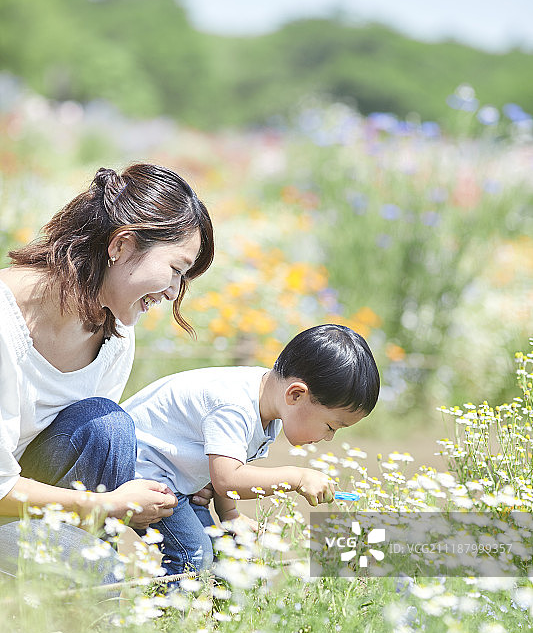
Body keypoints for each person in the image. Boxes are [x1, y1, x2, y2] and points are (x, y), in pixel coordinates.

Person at [0, 162, 215, 583]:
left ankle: (82, 591)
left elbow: (101, 452)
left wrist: (183, 482)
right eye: (175, 269)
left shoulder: (114, 334)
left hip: (27, 500)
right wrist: (105, 506)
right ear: (121, 244)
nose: (174, 292)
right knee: (98, 569)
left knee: (109, 425)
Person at [123, 324, 380, 576]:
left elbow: (229, 463)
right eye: (331, 426)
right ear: (296, 395)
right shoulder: (234, 407)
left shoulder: (268, 401)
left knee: (228, 550)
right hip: (141, 472)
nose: (329, 438)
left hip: (174, 477)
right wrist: (297, 478)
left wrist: (230, 514)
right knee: (194, 554)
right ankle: (166, 616)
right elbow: (228, 479)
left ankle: (217, 615)